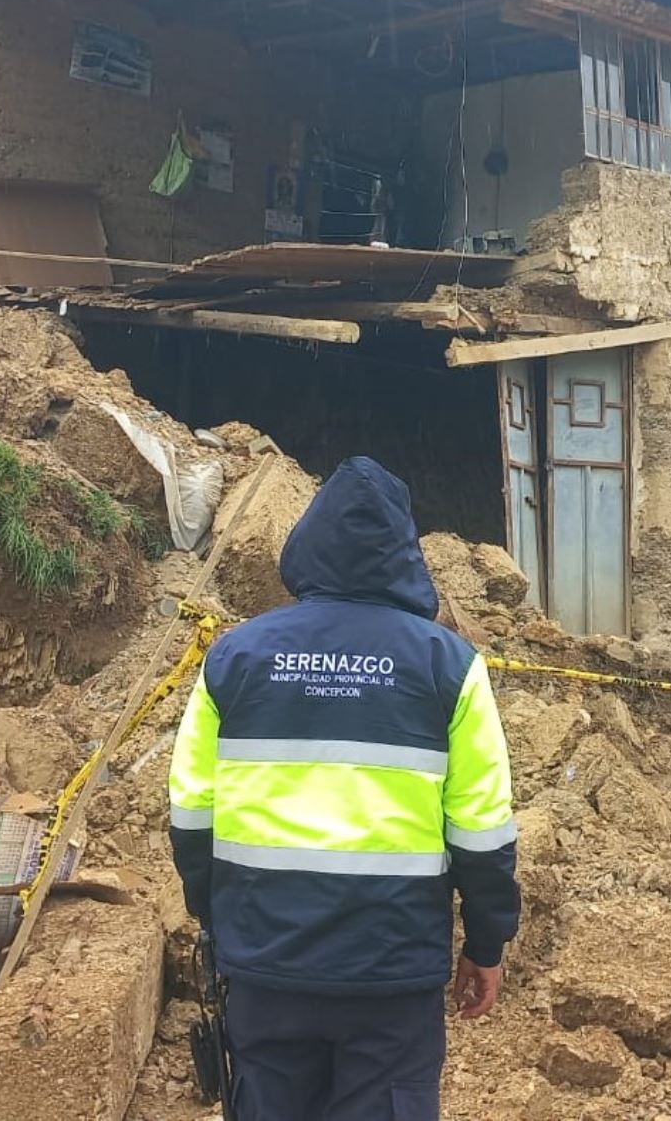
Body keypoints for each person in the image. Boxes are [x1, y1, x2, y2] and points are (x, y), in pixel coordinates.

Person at [169, 456, 521, 1121]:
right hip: (389, 978)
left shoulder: (233, 659)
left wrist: (218, 919)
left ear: (310, 545)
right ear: (404, 556)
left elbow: (191, 815)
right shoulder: (451, 667)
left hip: (266, 965)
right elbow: (482, 831)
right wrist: (485, 943)